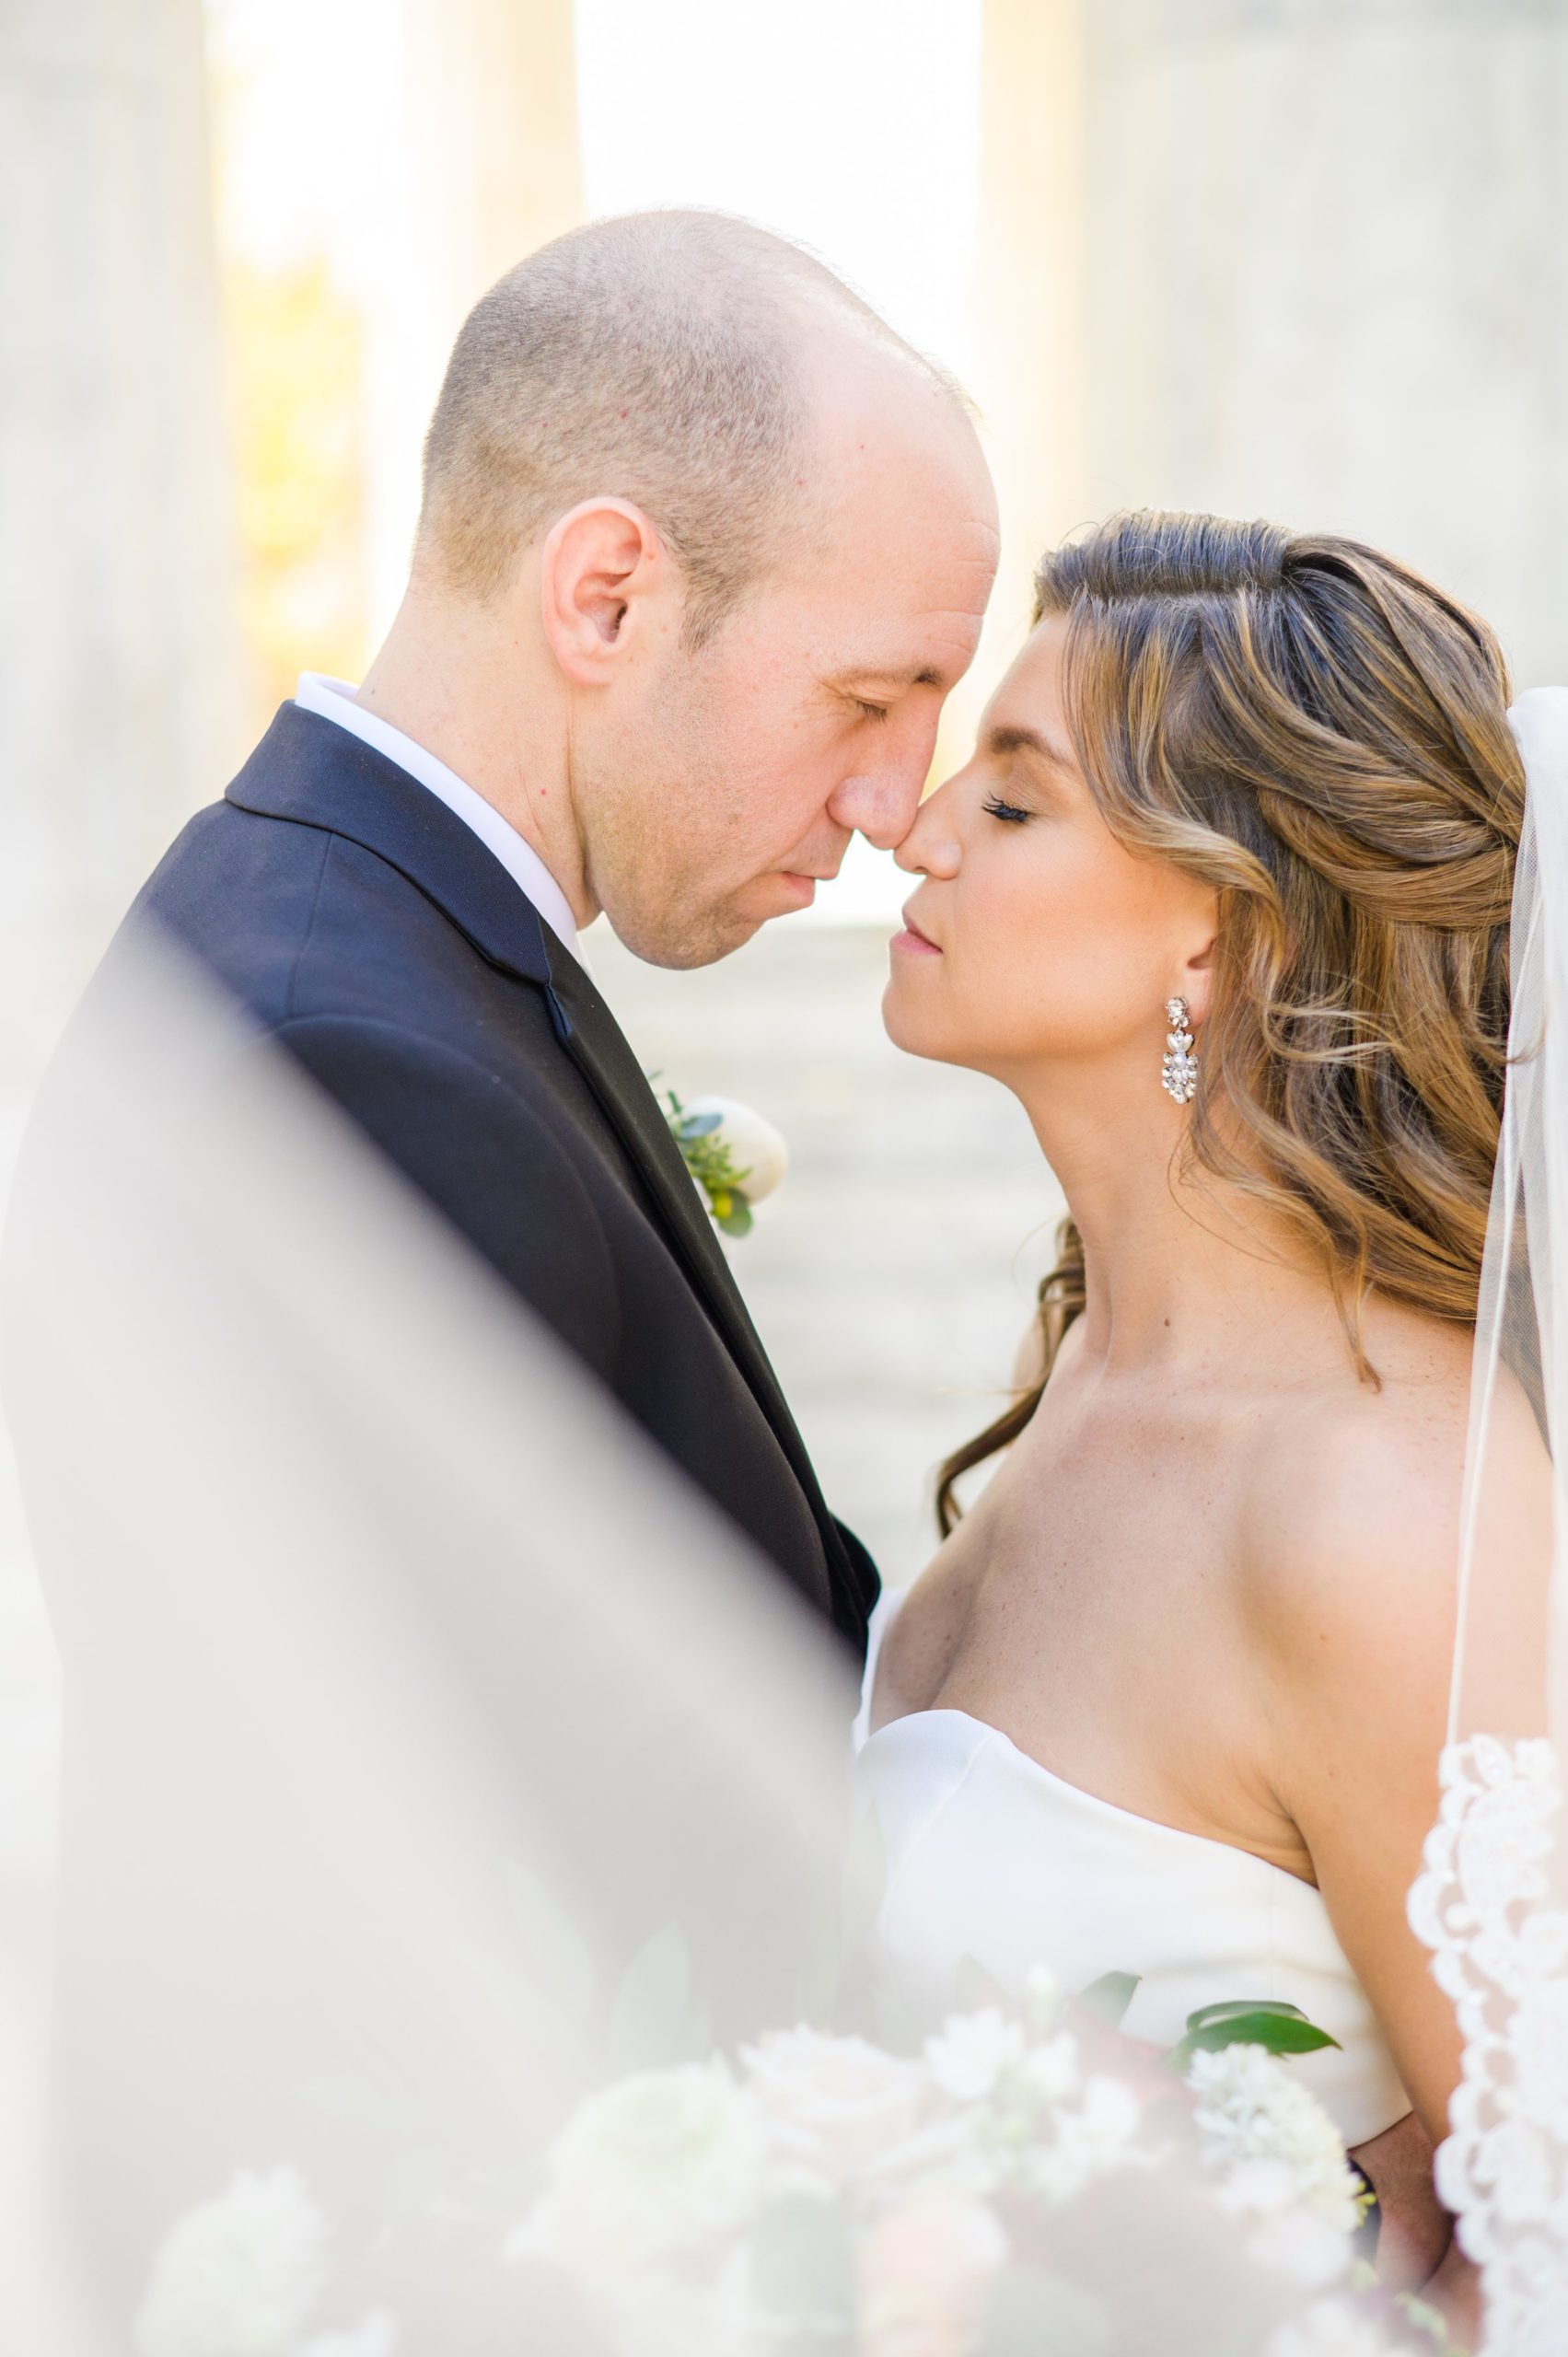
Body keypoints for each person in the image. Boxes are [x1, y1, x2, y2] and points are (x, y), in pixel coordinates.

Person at [94, 207, 999, 1655]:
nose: (898, 803)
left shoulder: (393, 937)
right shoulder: (358, 1064)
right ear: (607, 598)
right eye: (868, 698)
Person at [861, 510, 1534, 2324]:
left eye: (1009, 801)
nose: (913, 830)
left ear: (1222, 938)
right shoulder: (1080, 1366)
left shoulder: (1372, 1507)